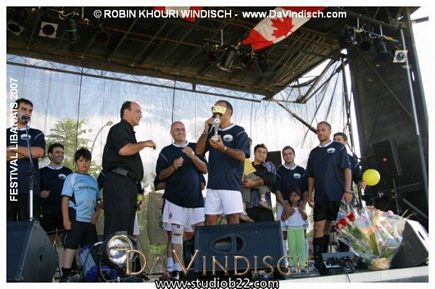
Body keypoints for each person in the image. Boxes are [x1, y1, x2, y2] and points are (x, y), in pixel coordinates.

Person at [156, 121, 207, 279]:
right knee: (176, 235)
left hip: (196, 200)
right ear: (171, 133)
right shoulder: (166, 151)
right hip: (175, 200)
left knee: (200, 235)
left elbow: (204, 169)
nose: (180, 131)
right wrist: (172, 167)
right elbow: (160, 176)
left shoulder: (195, 147)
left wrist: (192, 156)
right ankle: (177, 271)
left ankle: (201, 269)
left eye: (182, 129)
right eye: (177, 130)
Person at [102, 101, 156, 238]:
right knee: (117, 231)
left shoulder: (128, 131)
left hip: (127, 186)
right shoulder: (119, 128)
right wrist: (144, 144)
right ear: (126, 112)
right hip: (119, 184)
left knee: (126, 231)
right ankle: (113, 258)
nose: (141, 115)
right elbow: (124, 150)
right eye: (137, 111)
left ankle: (124, 258)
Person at [306, 121, 352, 274]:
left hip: (338, 194)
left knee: (340, 228)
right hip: (321, 196)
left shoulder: (339, 148)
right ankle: (319, 261)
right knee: (319, 227)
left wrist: (347, 190)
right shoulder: (313, 152)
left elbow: (347, 169)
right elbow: (310, 176)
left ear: (329, 131)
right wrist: (310, 194)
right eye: (318, 130)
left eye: (323, 130)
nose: (320, 132)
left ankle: (346, 260)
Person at [196, 100, 250, 225]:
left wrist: (223, 148)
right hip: (213, 184)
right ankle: (210, 245)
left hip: (231, 184)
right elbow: (198, 151)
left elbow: (243, 155)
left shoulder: (239, 131)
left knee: (233, 220)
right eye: (214, 110)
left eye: (219, 109)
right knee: (209, 222)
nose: (216, 113)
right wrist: (205, 131)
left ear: (229, 112)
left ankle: (234, 245)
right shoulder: (212, 131)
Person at [60, 148, 101, 282]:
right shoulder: (71, 178)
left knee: (89, 248)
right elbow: (65, 199)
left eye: (87, 161)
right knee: (71, 245)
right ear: (76, 162)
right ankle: (65, 274)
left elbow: (98, 201)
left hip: (90, 221)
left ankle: (89, 274)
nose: (84, 164)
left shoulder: (93, 180)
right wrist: (66, 219)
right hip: (75, 218)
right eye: (81, 160)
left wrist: (98, 212)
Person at [7, 98, 46, 221]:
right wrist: (28, 153)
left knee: (28, 227)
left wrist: (13, 147)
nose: (27, 113)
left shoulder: (36, 133)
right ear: (14, 111)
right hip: (8, 188)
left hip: (29, 189)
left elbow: (39, 152)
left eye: (30, 111)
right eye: (23, 109)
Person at [273, 146, 308, 264]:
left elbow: (306, 190)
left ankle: (303, 262)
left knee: (302, 232)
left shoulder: (301, 170)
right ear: (283, 156)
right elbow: (277, 191)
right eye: (285, 154)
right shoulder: (278, 171)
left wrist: (303, 205)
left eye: (290, 153)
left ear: (294, 155)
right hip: (283, 204)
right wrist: (286, 206)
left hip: (299, 206)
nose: (288, 156)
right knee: (283, 233)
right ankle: (286, 263)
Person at [333, 132, 366, 252]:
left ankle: (356, 253)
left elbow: (358, 177)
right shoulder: (329, 158)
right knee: (339, 226)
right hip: (334, 197)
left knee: (351, 225)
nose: (336, 141)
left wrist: (361, 182)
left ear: (345, 142)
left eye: (339, 139)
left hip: (349, 197)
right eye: (334, 139)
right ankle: (343, 253)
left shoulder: (352, 159)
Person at [39, 143, 73, 244]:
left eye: (62, 153)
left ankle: (67, 260)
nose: (60, 155)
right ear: (50, 154)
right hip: (47, 211)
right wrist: (41, 193)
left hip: (64, 211)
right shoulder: (41, 172)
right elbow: (35, 191)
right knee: (48, 242)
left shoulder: (68, 172)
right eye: (57, 152)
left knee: (66, 240)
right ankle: (52, 259)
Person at [243, 143, 277, 222]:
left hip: (265, 207)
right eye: (259, 151)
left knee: (267, 232)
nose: (261, 154)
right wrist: (262, 181)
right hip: (249, 207)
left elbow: (272, 179)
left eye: (264, 152)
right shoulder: (247, 165)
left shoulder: (269, 166)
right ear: (254, 153)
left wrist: (252, 183)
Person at [282, 188, 308, 271]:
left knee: (301, 246)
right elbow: (283, 218)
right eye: (291, 196)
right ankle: (292, 264)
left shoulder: (301, 207)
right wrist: (288, 214)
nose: (293, 198)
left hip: (300, 228)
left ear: (299, 197)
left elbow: (305, 217)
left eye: (295, 195)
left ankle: (302, 264)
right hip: (290, 229)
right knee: (291, 247)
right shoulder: (287, 207)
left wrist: (302, 212)